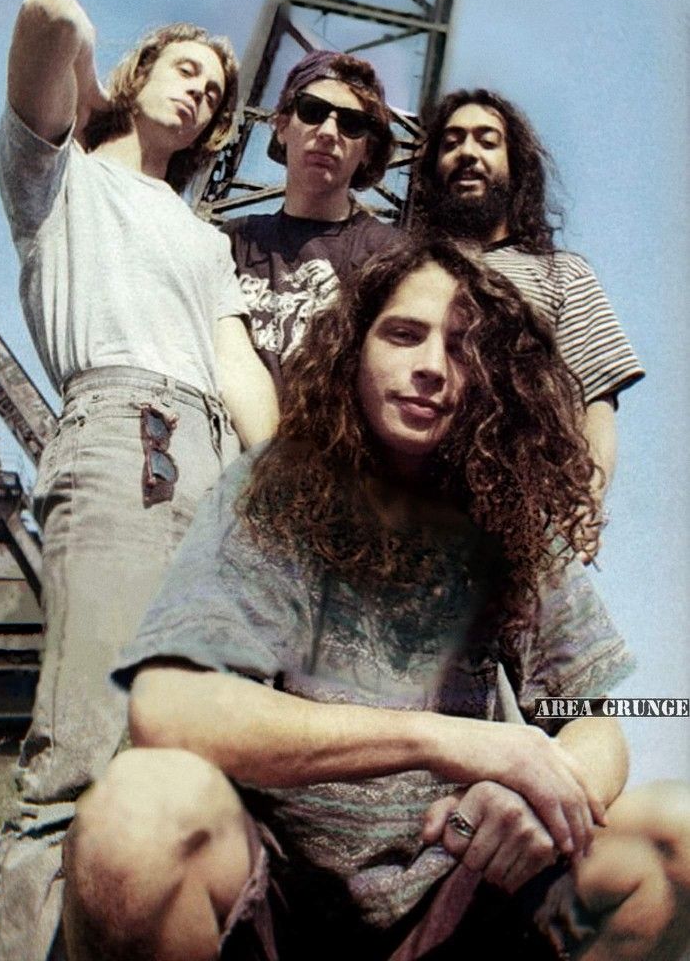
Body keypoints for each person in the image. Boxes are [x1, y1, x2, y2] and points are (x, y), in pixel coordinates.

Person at [62, 236, 689, 961]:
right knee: (138, 814)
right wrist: (446, 739)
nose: (430, 368)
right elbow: (169, 706)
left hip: (458, 883)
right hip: (282, 901)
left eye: (461, 349)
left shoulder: (511, 515)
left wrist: (540, 791)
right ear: (354, 350)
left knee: (671, 840)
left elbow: (595, 723)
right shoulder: (274, 494)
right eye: (403, 334)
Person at [0, 0, 278, 961]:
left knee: (187, 761)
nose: (203, 91)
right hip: (123, 437)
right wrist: (99, 80)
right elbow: (52, 10)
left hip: (218, 473)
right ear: (140, 70)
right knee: (83, 750)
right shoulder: (56, 177)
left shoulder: (206, 237)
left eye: (218, 89)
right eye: (187, 69)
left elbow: (237, 367)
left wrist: (276, 488)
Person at [412, 88, 644, 498]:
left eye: (487, 141)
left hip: (518, 516)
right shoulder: (403, 270)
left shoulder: (563, 273)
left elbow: (594, 405)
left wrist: (584, 507)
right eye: (451, 143)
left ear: (515, 167)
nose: (467, 152)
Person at [222, 48, 399, 388]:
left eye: (352, 123)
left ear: (367, 151)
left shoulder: (391, 256)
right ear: (282, 126)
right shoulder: (231, 243)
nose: (329, 132)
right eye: (313, 111)